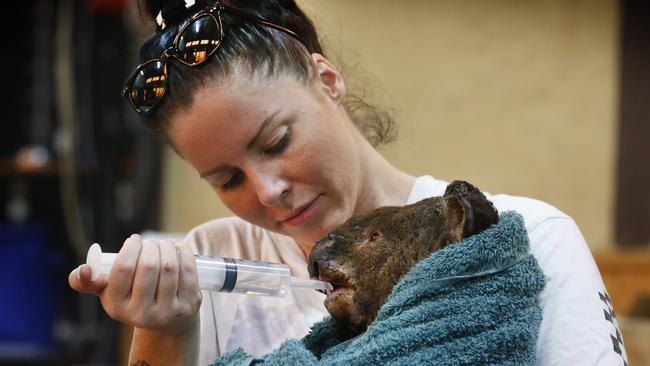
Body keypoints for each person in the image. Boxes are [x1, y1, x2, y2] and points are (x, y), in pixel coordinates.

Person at [69, 0, 628, 365]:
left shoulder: (520, 239)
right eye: (227, 178)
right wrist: (162, 332)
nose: (267, 191)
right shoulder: (208, 264)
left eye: (276, 142)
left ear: (327, 80)